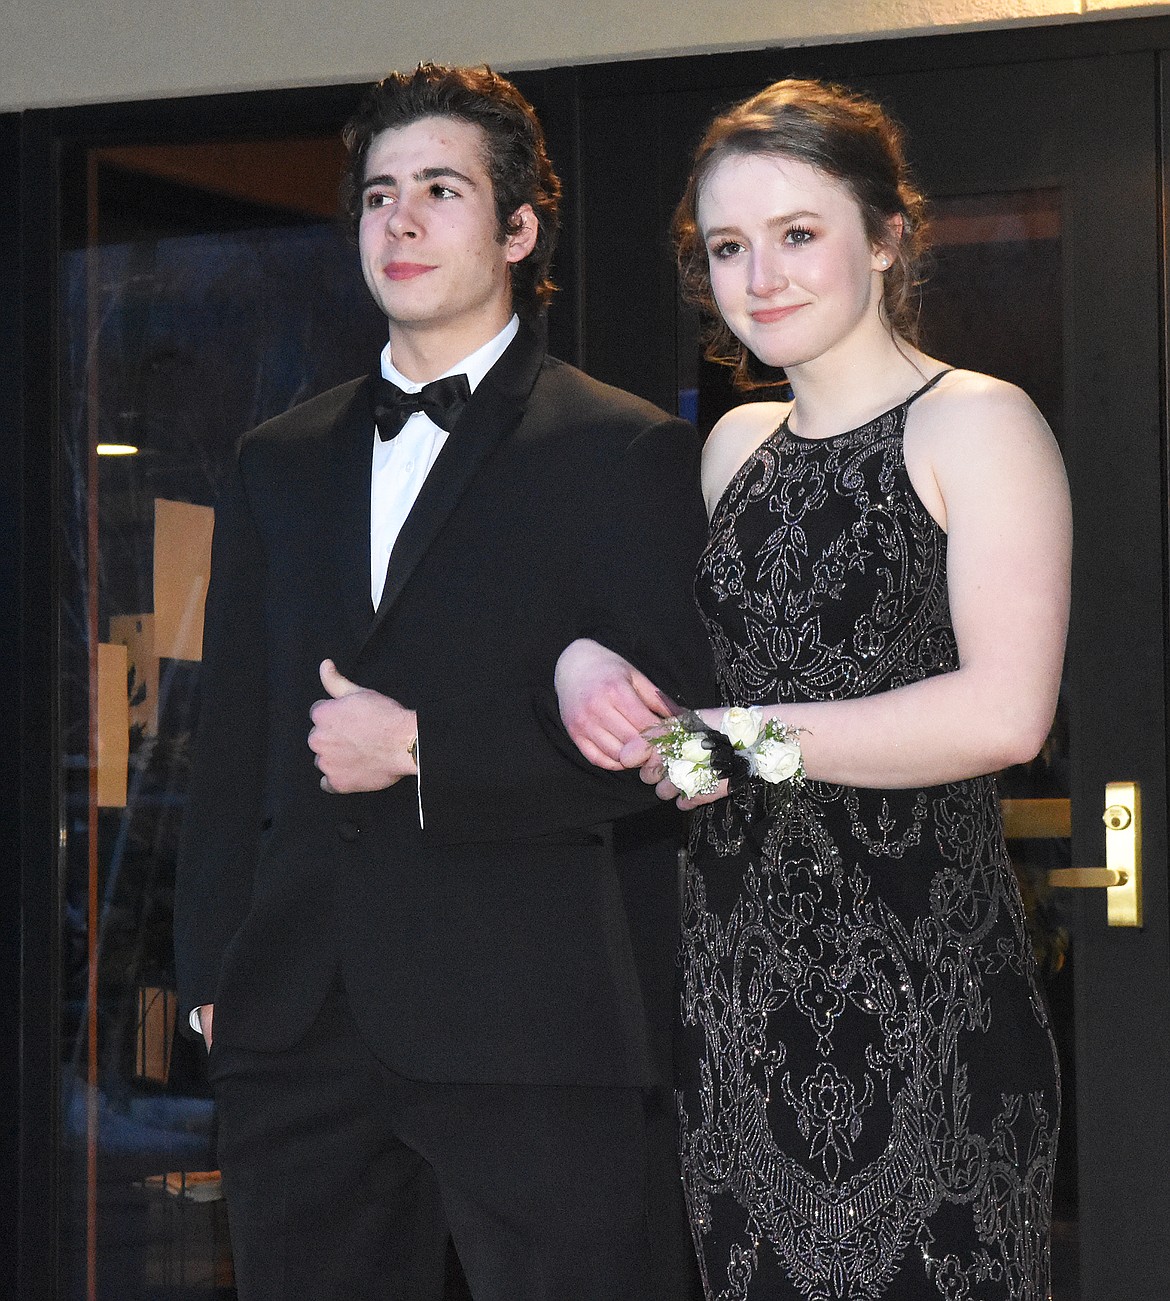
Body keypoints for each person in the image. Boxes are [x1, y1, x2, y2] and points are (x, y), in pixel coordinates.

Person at [174, 63, 716, 1301]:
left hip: (536, 1029)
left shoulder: (623, 447)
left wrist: (428, 746)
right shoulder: (276, 459)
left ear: (519, 229)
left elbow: (687, 755)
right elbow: (235, 739)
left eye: (438, 191)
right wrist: (212, 974)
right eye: (377, 196)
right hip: (299, 1028)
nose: (399, 223)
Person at [556, 78, 1070, 1299]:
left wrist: (736, 740)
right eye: (729, 245)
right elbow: (680, 707)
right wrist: (594, 670)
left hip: (931, 999)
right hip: (738, 1003)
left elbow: (1005, 714)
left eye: (799, 233)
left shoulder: (978, 423)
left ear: (888, 237)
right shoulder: (733, 445)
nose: (761, 274)